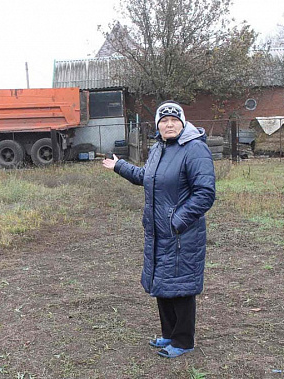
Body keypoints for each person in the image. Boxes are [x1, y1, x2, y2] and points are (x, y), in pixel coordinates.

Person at [102, 101, 215, 358]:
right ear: (158, 126)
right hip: (159, 231)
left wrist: (176, 221)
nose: (169, 124)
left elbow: (205, 193)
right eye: (164, 120)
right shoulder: (159, 148)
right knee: (163, 282)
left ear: (183, 122)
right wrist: (120, 167)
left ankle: (183, 340)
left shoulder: (194, 149)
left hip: (181, 234)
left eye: (174, 119)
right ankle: (168, 334)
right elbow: (148, 177)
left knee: (181, 285)